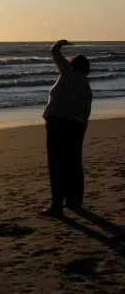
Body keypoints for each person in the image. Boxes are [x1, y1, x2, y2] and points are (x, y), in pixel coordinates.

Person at [41, 39, 93, 217]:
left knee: (57, 165)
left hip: (58, 124)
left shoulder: (68, 73)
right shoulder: (86, 87)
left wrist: (61, 43)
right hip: (76, 126)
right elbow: (86, 113)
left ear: (73, 64)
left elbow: (54, 51)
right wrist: (81, 130)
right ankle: (74, 201)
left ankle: (57, 205)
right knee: (73, 164)